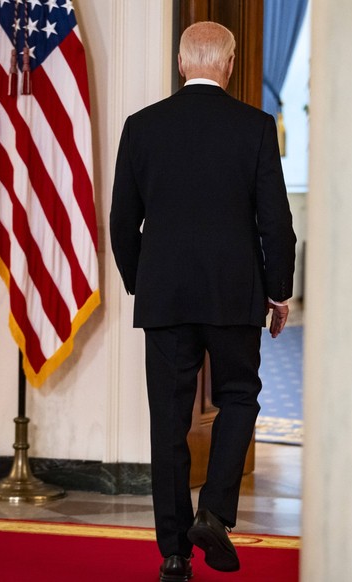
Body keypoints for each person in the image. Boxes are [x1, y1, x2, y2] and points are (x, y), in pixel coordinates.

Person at [109, 21, 297, 582]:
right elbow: (276, 223)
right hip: (234, 294)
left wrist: (144, 280)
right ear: (231, 63)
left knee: (168, 420)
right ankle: (213, 511)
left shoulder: (142, 127)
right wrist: (278, 291)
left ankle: (173, 554)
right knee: (239, 397)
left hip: (165, 296)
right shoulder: (255, 127)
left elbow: (122, 221)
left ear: (180, 60)